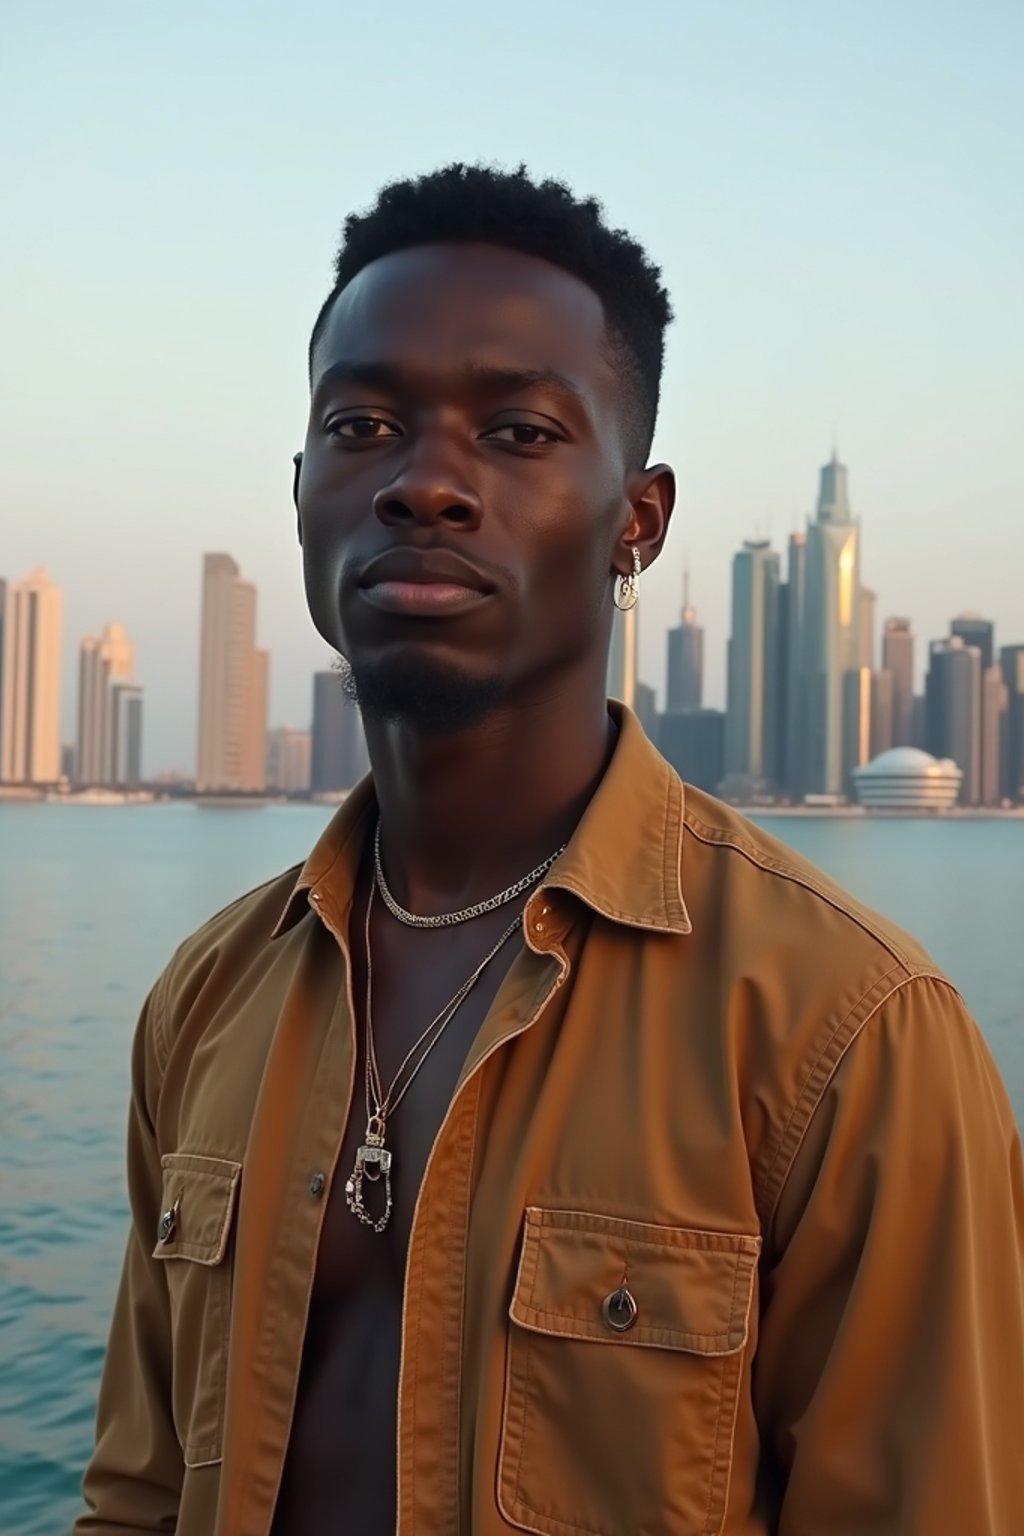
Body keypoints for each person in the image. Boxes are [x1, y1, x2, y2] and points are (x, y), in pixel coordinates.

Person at [77, 164, 1024, 1536]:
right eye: (364, 422)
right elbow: (141, 1492)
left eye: (518, 431)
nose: (426, 483)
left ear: (638, 519)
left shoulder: (849, 1032)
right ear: (301, 490)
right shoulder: (207, 999)